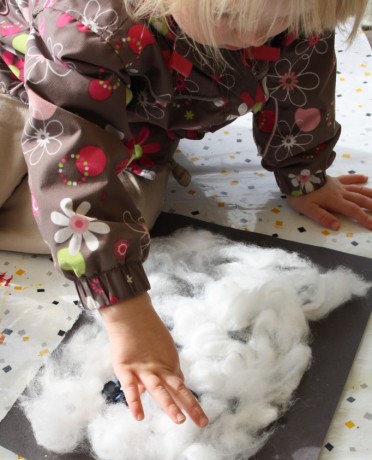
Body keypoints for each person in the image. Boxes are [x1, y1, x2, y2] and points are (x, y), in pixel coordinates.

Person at [0, 0, 371, 428]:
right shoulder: (91, 22)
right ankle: (36, 192)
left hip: (130, 125)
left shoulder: (291, 14)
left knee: (134, 215)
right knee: (43, 175)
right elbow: (71, 151)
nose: (256, 37)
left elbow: (301, 85)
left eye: (283, 23)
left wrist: (304, 173)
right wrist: (126, 312)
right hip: (22, 85)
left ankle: (45, 204)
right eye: (230, 18)